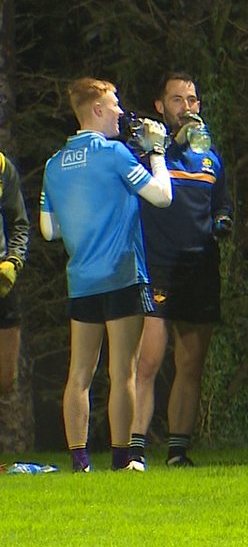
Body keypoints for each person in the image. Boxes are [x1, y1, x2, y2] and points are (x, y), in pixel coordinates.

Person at [40, 77, 173, 472]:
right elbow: (162, 196)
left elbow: (50, 230)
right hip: (121, 274)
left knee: (79, 372)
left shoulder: (54, 163)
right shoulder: (114, 154)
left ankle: (80, 461)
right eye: (114, 104)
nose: (120, 111)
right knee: (123, 371)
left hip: (81, 278)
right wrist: (158, 152)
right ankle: (122, 459)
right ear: (96, 110)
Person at [131, 72, 233, 468]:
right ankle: (135, 450)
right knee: (148, 362)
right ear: (161, 106)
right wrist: (163, 147)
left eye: (192, 100)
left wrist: (222, 220)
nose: (187, 107)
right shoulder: (149, 153)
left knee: (190, 365)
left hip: (199, 268)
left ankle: (177, 451)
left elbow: (222, 204)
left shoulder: (210, 157)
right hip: (157, 266)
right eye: (177, 100)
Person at [0, 148, 30, 398]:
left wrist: (14, 261)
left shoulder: (1, 166)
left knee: (6, 381)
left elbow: (19, 223)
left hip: (2, 284)